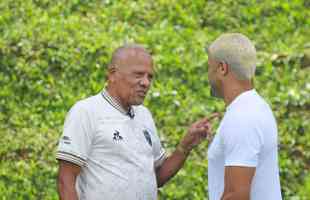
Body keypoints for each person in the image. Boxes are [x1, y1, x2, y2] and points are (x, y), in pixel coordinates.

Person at [56, 44, 212, 200]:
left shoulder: (144, 115)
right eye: (138, 75)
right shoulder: (86, 112)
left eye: (150, 77)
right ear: (112, 74)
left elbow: (156, 177)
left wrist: (185, 147)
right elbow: (66, 181)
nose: (146, 83)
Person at [206, 33, 282, 200]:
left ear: (222, 68)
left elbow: (236, 195)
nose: (208, 76)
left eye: (209, 68)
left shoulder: (242, 117)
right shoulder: (255, 106)